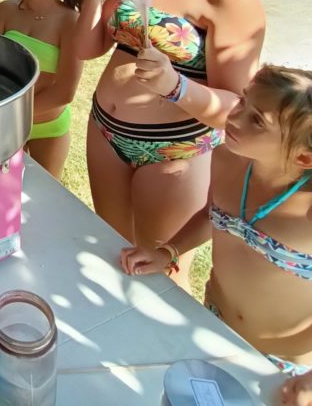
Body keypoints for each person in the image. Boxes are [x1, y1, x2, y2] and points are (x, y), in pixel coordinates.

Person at [75, 0, 264, 288]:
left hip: (173, 153)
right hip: (105, 134)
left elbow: (237, 109)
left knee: (161, 275)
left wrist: (176, 85)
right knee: (112, 253)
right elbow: (88, 49)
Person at [120, 65, 312, 384]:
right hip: (210, 328)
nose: (235, 118)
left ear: (304, 158)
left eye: (257, 120)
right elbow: (214, 214)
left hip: (282, 368)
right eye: (243, 102)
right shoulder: (227, 158)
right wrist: (169, 251)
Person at [0, 0, 86, 179]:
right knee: (3, 194)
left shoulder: (70, 21)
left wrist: (12, 113)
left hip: (48, 128)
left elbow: (66, 91)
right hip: (7, 125)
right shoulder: (4, 11)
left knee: (43, 202)